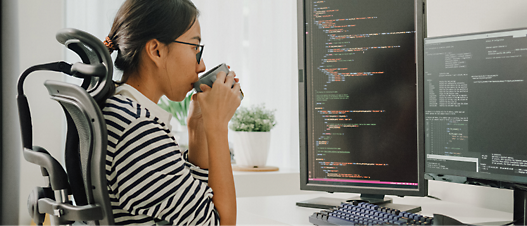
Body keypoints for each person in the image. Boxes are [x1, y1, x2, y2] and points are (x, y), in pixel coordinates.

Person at [101, 0, 240, 225]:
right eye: (195, 48)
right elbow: (220, 223)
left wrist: (198, 129)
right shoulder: (139, 131)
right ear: (156, 50)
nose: (202, 65)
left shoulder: (120, 110)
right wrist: (217, 127)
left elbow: (194, 208)